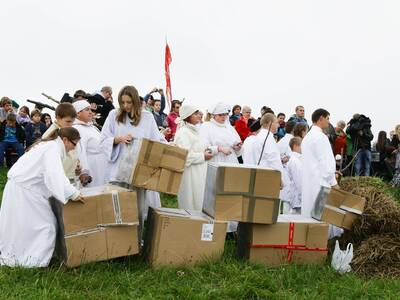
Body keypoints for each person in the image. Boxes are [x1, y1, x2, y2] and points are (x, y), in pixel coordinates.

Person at [0, 127, 83, 268]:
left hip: (25, 190)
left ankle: (26, 257)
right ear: (65, 140)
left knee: (24, 225)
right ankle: (34, 261)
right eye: (74, 144)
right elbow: (54, 175)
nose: (73, 149)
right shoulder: (52, 149)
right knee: (45, 226)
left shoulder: (50, 146)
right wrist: (73, 193)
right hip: (25, 191)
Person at [100, 85, 165, 227]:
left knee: (137, 208)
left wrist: (170, 147)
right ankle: (118, 242)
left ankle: (136, 241)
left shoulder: (147, 117)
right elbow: (103, 139)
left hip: (138, 171)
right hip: (117, 170)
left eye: (129, 102)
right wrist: (118, 139)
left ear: (135, 101)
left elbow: (157, 140)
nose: (125, 106)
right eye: (122, 102)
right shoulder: (113, 115)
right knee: (118, 207)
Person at [200, 102, 243, 232]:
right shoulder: (206, 127)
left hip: (231, 162)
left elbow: (237, 148)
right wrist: (218, 149)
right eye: (220, 115)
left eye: (225, 114)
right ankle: (215, 228)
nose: (223, 117)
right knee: (215, 193)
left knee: (231, 193)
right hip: (215, 163)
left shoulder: (229, 128)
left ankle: (231, 228)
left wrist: (237, 147)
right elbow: (204, 147)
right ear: (213, 115)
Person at [301, 109, 340, 237]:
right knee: (322, 216)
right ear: (321, 119)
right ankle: (322, 243)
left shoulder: (307, 137)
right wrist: (333, 182)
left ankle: (310, 242)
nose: (329, 122)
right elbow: (325, 162)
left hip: (309, 181)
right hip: (321, 182)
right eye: (328, 118)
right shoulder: (320, 137)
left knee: (310, 214)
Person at [174, 104, 213, 210]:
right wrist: (202, 156)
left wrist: (209, 150)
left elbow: (200, 147)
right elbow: (184, 156)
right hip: (190, 174)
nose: (199, 115)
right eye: (195, 114)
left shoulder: (195, 130)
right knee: (190, 202)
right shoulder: (183, 133)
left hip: (200, 172)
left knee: (200, 200)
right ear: (188, 116)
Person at [42, 103, 90, 186]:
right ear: (57, 117)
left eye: (72, 122)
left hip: (71, 179)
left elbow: (76, 153)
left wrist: (78, 167)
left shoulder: (70, 132)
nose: (70, 124)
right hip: (58, 180)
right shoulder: (49, 136)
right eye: (68, 121)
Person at [73, 100, 107, 187]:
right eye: (87, 110)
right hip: (92, 168)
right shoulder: (77, 129)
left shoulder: (92, 127)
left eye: (91, 110)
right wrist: (84, 172)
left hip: (101, 166)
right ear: (78, 113)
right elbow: (80, 152)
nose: (91, 112)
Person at [252, 113, 284, 179]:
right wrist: (280, 177)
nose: (278, 125)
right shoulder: (267, 138)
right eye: (276, 123)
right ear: (270, 123)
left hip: (260, 173)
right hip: (268, 175)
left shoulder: (259, 136)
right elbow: (273, 159)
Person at [286, 137, 303, 214]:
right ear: (295, 146)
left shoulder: (297, 159)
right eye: (301, 145)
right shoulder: (295, 161)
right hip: (298, 199)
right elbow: (299, 180)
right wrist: (303, 196)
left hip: (298, 198)